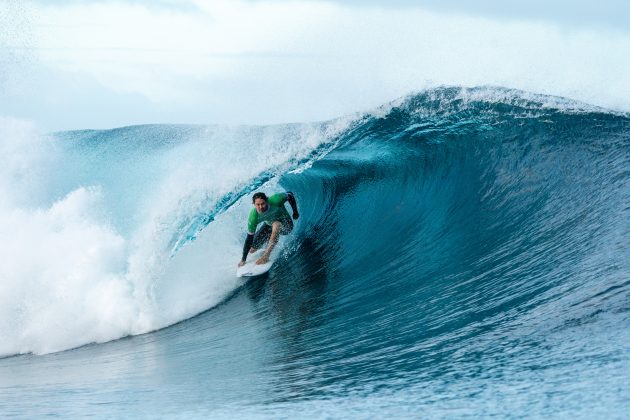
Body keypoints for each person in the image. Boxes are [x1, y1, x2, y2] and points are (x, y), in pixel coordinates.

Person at [238, 191, 299, 267]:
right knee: (252, 250)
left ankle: (266, 256)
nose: (261, 207)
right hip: (269, 225)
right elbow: (249, 238)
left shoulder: (276, 200)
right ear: (253, 204)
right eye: (258, 204)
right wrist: (243, 260)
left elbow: (290, 195)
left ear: (267, 201)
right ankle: (270, 240)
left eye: (262, 203)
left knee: (276, 224)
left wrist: (295, 211)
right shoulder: (254, 216)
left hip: (286, 225)